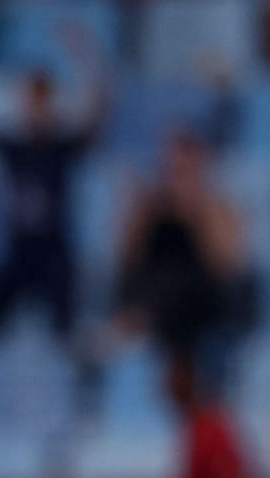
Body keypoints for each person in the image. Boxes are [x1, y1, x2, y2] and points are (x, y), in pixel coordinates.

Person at [0, 31, 109, 339]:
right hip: (15, 253)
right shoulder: (11, 145)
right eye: (32, 99)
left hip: (55, 254)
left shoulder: (62, 146)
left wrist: (89, 59)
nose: (37, 107)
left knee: (69, 332)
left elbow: (98, 118)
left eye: (43, 99)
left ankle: (78, 374)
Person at [113, 130, 251, 392]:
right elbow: (127, 258)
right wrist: (140, 215)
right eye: (173, 168)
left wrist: (197, 214)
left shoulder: (220, 208)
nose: (178, 176)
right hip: (159, 311)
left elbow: (226, 265)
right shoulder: (152, 209)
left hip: (202, 310)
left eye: (185, 168)